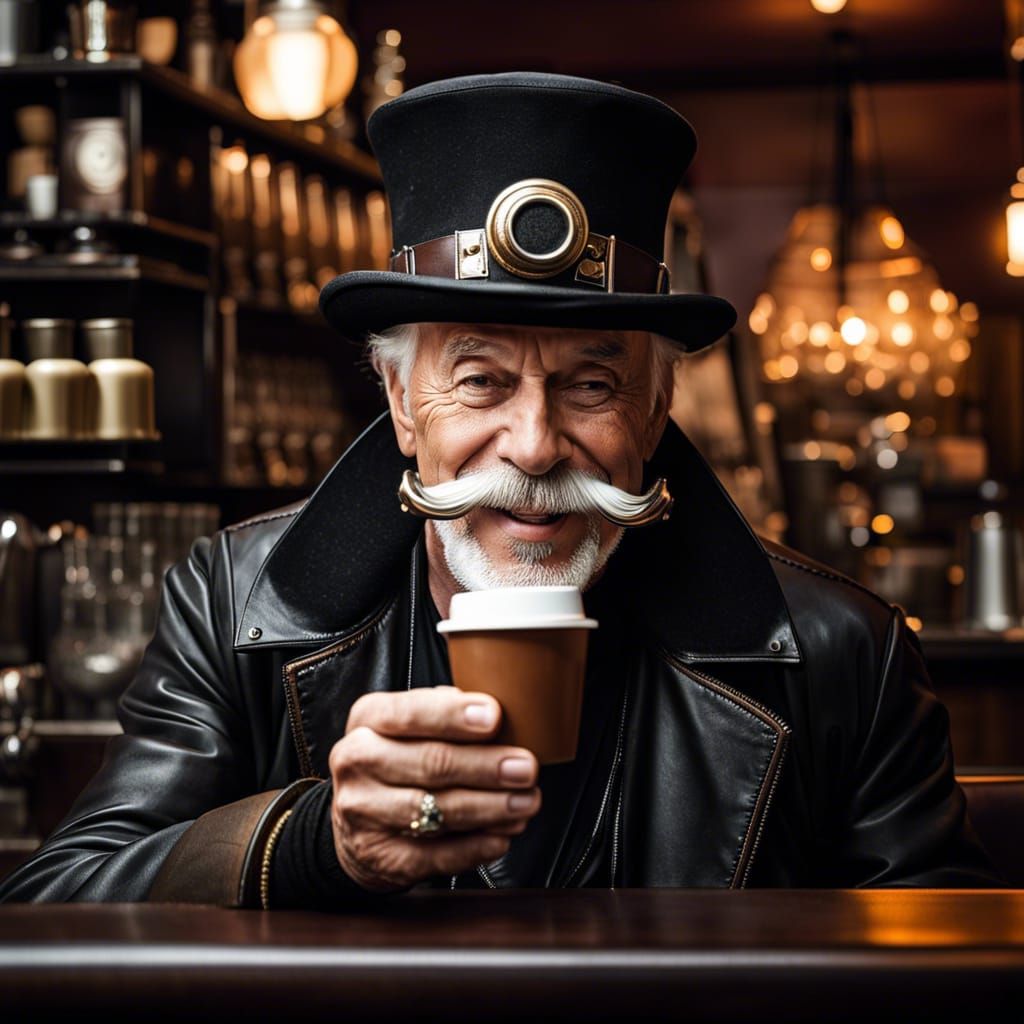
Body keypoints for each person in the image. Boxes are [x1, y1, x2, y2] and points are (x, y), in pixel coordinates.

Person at [0, 72, 999, 907]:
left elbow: (944, 979)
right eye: (478, 380)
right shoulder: (234, 606)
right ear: (398, 403)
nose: (532, 445)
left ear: (654, 415)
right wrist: (314, 843)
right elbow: (53, 904)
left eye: (593, 385)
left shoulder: (843, 656)